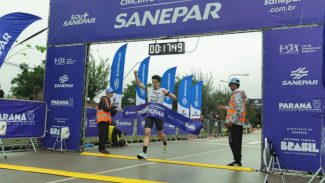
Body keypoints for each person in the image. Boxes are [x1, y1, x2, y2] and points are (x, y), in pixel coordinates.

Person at [134, 70, 177, 159]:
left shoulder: (163, 90)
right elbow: (139, 83)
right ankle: (144, 153)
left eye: (155, 82)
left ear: (159, 83)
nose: (153, 84)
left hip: (158, 115)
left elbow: (175, 98)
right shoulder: (149, 89)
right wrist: (135, 74)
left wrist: (168, 93)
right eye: (152, 82)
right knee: (147, 132)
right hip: (150, 114)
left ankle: (164, 142)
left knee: (160, 133)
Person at [218, 78, 247, 166]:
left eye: (230, 84)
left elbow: (239, 109)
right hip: (238, 123)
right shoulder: (238, 94)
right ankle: (237, 161)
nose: (229, 86)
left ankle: (237, 161)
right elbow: (234, 108)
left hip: (235, 123)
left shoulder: (237, 94)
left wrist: (231, 121)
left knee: (234, 143)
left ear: (235, 85)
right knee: (236, 142)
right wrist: (224, 108)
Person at [96, 88, 117, 154]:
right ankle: (101, 149)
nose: (112, 94)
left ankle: (103, 148)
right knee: (102, 135)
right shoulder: (103, 99)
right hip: (102, 120)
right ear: (107, 93)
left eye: (112, 93)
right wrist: (113, 107)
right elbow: (105, 109)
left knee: (105, 135)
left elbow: (110, 112)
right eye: (111, 93)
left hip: (106, 120)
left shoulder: (109, 101)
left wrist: (115, 110)